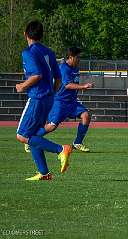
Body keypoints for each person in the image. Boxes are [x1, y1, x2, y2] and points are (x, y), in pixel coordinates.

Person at [16, 20, 72, 180]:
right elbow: (58, 78)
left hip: (37, 98)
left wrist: (22, 86)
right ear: (41, 35)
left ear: (25, 34)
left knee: (22, 135)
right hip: (48, 98)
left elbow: (36, 75)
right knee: (34, 134)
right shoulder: (49, 52)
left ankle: (61, 149)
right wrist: (51, 93)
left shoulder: (28, 52)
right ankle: (44, 173)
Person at [34, 47, 94, 152]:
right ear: (70, 57)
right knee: (52, 126)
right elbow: (67, 85)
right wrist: (83, 86)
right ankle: (31, 139)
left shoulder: (75, 68)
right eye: (78, 57)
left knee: (86, 115)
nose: (79, 59)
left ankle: (77, 143)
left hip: (72, 102)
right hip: (60, 102)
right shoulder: (64, 68)